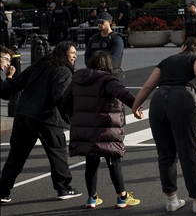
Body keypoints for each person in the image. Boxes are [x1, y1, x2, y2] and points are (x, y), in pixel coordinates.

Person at [131, 38, 196, 214]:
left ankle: (171, 200)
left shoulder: (166, 61)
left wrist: (136, 106)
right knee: (188, 152)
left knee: (165, 154)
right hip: (182, 98)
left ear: (182, 47)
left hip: (158, 100)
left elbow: (149, 85)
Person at [0, 42, 82, 203]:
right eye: (72, 53)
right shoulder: (63, 71)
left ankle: (3, 191)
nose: (75, 56)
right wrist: (73, 118)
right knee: (57, 153)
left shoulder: (37, 66)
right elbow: (61, 96)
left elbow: (13, 86)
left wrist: (7, 80)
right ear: (64, 53)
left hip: (23, 116)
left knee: (16, 156)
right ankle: (63, 188)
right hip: (46, 118)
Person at [63, 50, 142, 209]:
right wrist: (136, 107)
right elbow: (123, 94)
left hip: (85, 127)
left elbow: (65, 99)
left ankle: (92, 198)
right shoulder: (107, 80)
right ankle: (122, 197)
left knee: (91, 161)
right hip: (106, 127)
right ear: (108, 64)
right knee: (114, 161)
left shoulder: (78, 79)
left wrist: (74, 117)